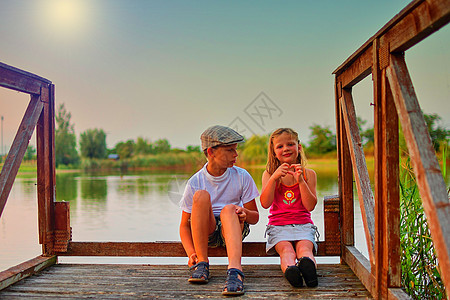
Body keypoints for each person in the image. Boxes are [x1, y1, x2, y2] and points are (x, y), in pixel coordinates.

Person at [179, 125, 259, 296]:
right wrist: (190, 253)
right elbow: (185, 226)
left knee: (229, 209)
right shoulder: (196, 181)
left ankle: (235, 271)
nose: (235, 155)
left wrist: (244, 212)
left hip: (233, 228)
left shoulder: (242, 176)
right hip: (206, 232)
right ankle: (202, 263)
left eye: (235, 150)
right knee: (201, 196)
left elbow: (255, 217)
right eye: (230, 150)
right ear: (211, 152)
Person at [260, 128, 318, 288]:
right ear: (274, 152)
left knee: (305, 249)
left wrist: (301, 182)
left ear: (298, 147)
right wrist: (273, 179)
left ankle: (310, 272)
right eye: (280, 146)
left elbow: (310, 206)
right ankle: (292, 272)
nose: (285, 148)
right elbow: (265, 203)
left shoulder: (309, 174)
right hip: (278, 227)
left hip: (303, 225)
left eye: (290, 144)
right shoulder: (269, 174)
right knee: (286, 251)